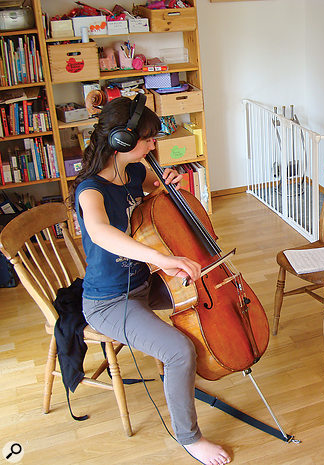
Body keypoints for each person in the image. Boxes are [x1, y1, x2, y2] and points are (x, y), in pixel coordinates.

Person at [67, 96, 231, 465]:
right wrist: (161, 257)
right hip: (110, 301)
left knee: (204, 288)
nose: (155, 144)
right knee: (178, 350)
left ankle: (192, 372)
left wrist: (162, 191)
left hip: (144, 280)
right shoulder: (90, 190)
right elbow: (99, 231)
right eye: (149, 138)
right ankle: (189, 437)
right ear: (123, 142)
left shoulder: (135, 173)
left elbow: (145, 212)